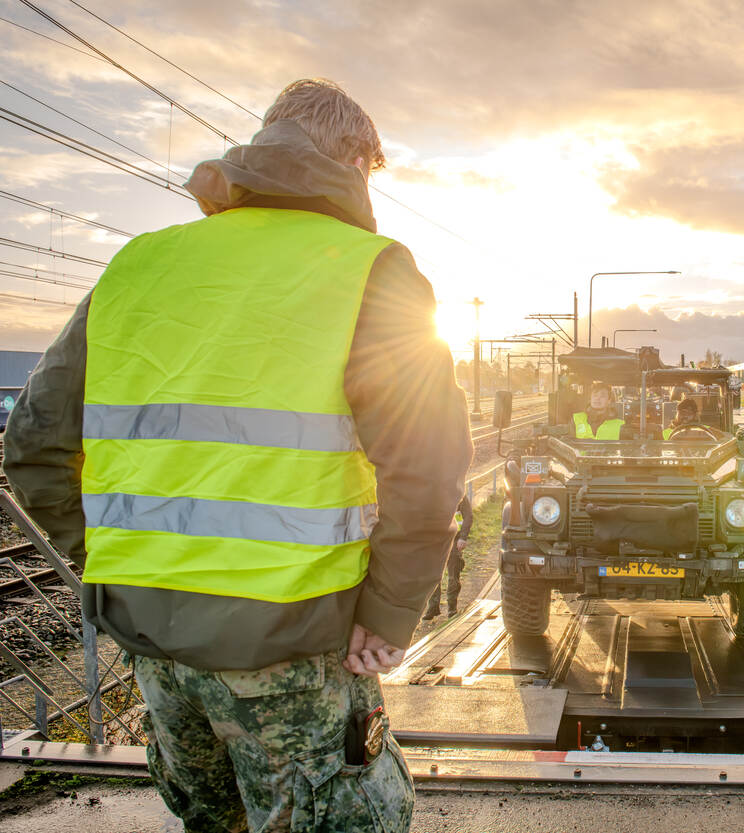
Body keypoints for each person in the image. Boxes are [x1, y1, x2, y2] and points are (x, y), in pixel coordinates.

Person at [2, 79, 472, 832]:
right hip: (291, 642)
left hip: (152, 646)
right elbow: (426, 466)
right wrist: (387, 612)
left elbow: (31, 447)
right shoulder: (371, 268)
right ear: (355, 160)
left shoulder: (138, 264)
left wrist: (107, 560)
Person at [423, 493, 473, 619]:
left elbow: (468, 516)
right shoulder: (430, 493)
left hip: (454, 541)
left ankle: (452, 609)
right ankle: (433, 608)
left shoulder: (459, 493)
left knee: (453, 577)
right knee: (433, 576)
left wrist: (463, 538)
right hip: (435, 542)